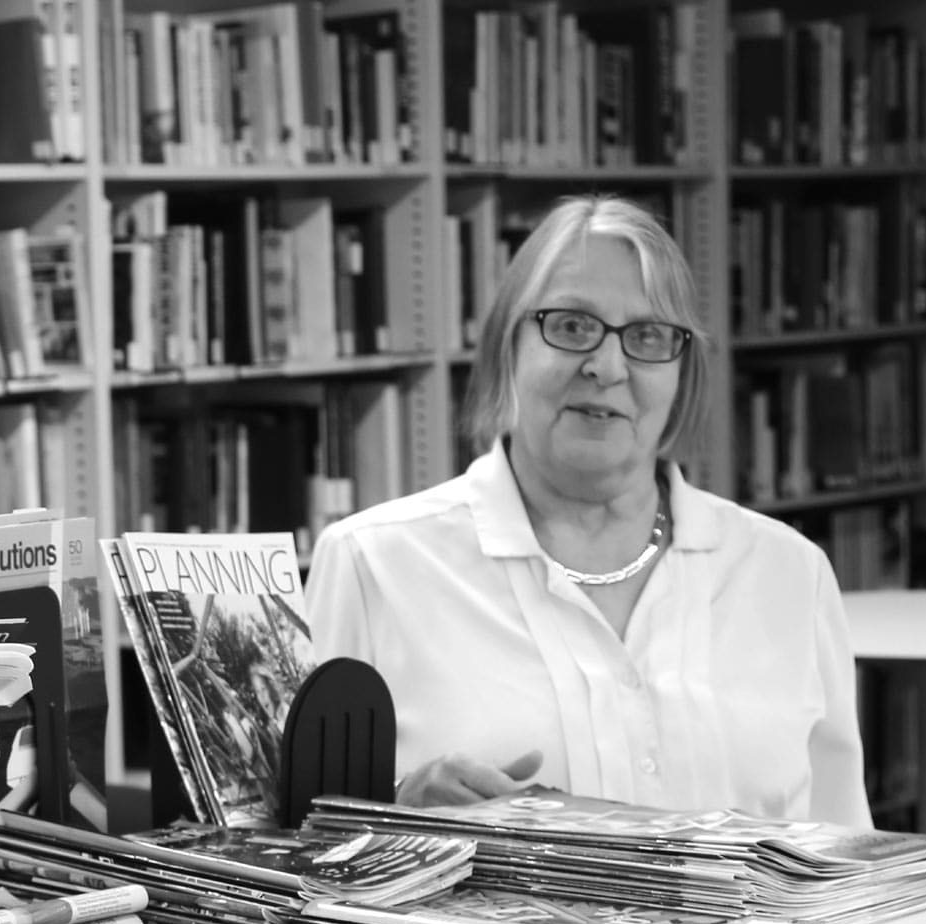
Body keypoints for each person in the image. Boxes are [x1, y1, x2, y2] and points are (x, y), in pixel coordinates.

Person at [303, 194, 872, 828]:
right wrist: (397, 811)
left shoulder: (788, 573)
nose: (607, 367)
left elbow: (847, 865)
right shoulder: (373, 565)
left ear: (684, 372)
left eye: (648, 336)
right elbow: (289, 850)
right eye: (572, 326)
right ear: (505, 347)